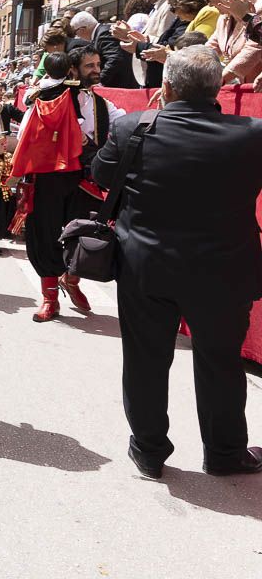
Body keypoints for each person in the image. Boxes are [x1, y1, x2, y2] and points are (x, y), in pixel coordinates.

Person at [92, 45, 262, 478]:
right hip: (224, 270)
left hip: (146, 266)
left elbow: (101, 175)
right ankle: (224, 453)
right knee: (221, 361)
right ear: (218, 89)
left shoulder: (132, 127)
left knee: (145, 360)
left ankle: (148, 450)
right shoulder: (252, 133)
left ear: (166, 87)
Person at [11, 47, 124, 322]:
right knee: (45, 233)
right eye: (89, 66)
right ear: (72, 70)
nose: (96, 70)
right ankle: (50, 298)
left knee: (86, 231)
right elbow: (26, 133)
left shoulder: (101, 105)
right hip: (48, 178)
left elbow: (124, 123)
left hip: (84, 178)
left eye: (98, 64)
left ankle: (71, 279)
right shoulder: (44, 98)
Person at [203, 0, 262, 85]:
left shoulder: (259, 7)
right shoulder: (225, 16)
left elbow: (254, 48)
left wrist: (219, 81)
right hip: (240, 87)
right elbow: (211, 48)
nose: (209, 5)